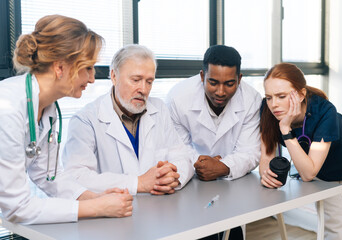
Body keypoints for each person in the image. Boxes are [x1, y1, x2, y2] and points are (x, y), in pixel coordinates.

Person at [0, 15, 133, 225]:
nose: (91, 78)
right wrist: (97, 208)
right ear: (60, 67)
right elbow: (17, 208)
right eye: (87, 68)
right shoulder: (6, 107)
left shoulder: (48, 108)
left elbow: (48, 175)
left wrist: (94, 197)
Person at [62, 44, 194, 196]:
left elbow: (181, 156)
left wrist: (173, 179)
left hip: (159, 207)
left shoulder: (159, 109)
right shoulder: (86, 120)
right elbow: (77, 176)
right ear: (114, 76)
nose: (143, 89)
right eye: (136, 80)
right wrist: (138, 183)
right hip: (112, 212)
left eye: (149, 82)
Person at [166, 45, 262, 240]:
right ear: (202, 76)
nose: (220, 91)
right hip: (190, 179)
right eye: (213, 82)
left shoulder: (252, 99)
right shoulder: (178, 98)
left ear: (240, 79)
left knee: (231, 233)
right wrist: (202, 163)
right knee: (196, 230)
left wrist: (222, 166)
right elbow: (178, 147)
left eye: (229, 83)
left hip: (233, 179)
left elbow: (250, 151)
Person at [259, 62, 342, 240]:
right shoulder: (268, 111)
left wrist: (285, 130)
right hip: (320, 172)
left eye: (281, 96)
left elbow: (308, 172)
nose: (273, 104)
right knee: (338, 229)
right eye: (269, 97)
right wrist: (265, 174)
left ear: (301, 94)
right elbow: (267, 156)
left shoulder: (324, 112)